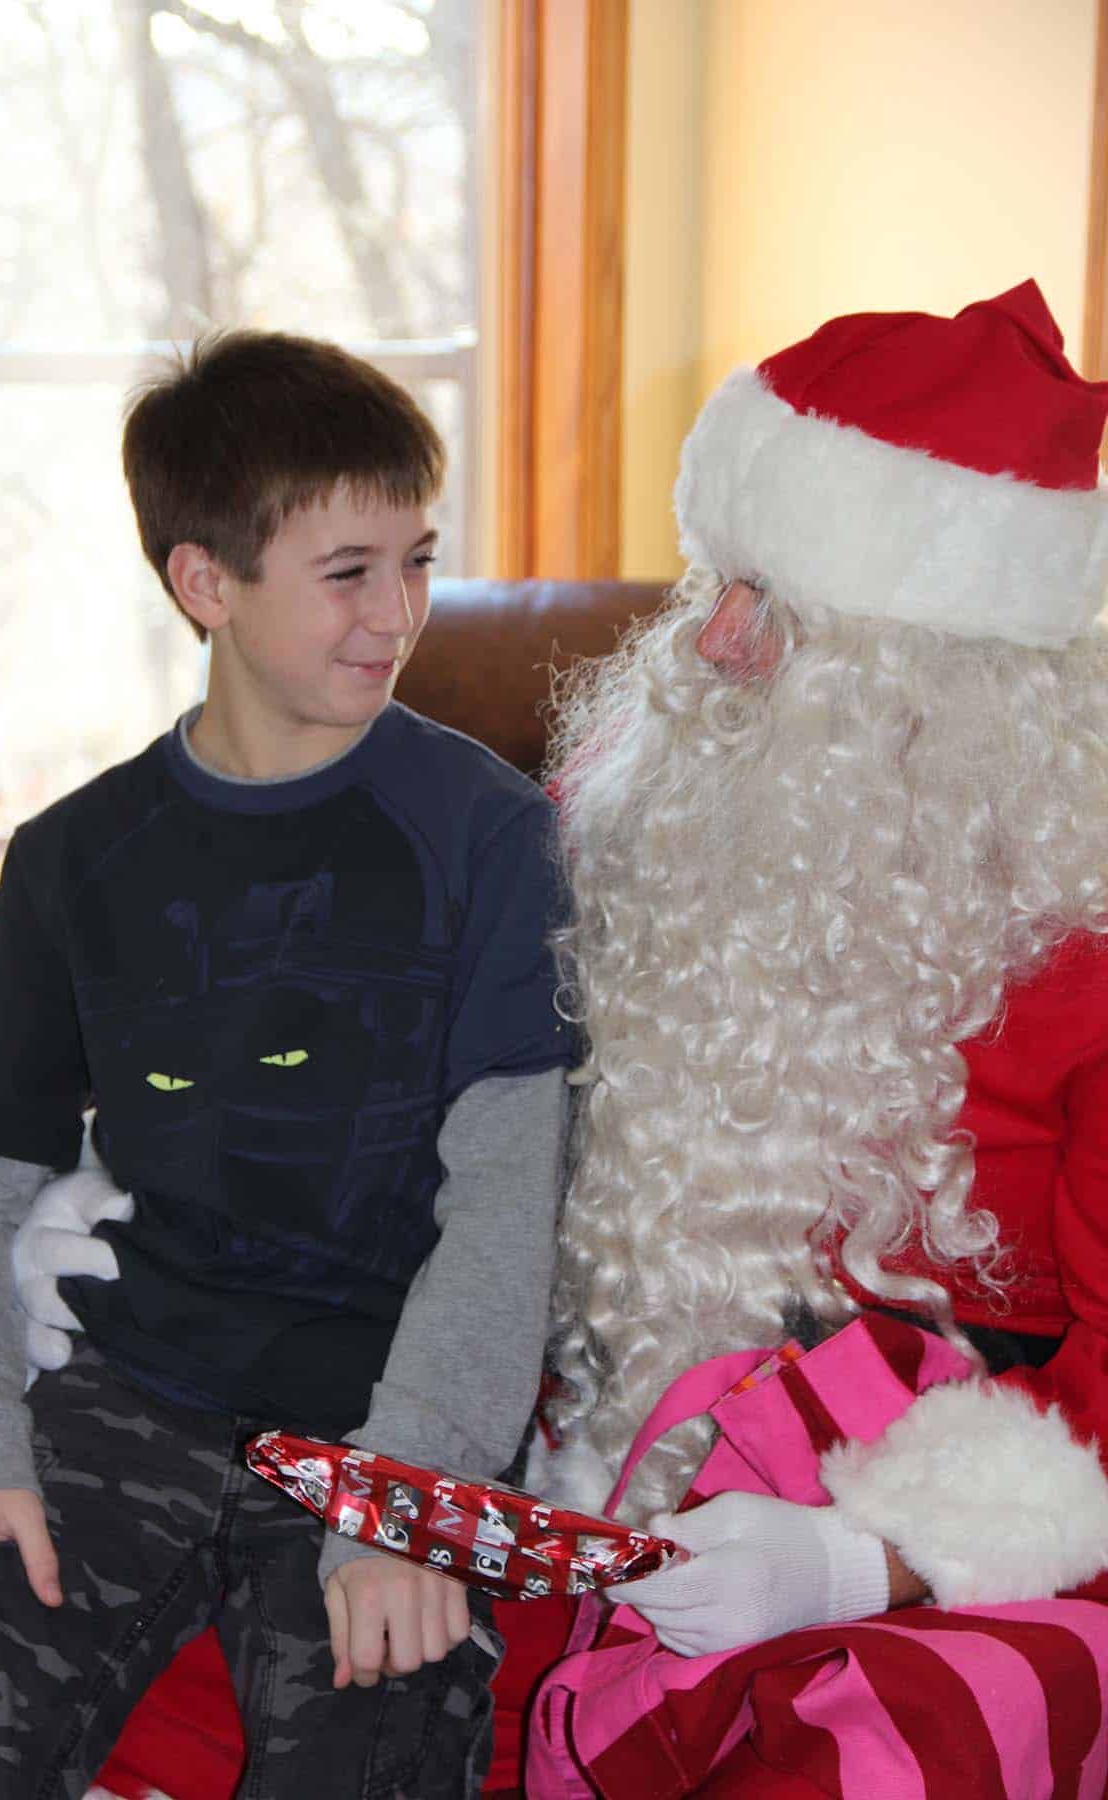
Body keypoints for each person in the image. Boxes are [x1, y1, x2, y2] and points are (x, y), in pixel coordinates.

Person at [0, 330, 574, 1798]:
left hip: (380, 1416)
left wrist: (407, 1497)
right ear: (205, 582)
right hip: (128, 1391)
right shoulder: (77, 857)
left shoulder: (490, 837)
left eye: (418, 559)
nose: (399, 612)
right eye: (350, 572)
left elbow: (508, 1204)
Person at [525, 282, 1108, 1796]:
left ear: (954, 683)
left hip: (992, 1542)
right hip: (614, 1474)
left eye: (771, 607)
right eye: (713, 579)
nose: (707, 647)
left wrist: (873, 1558)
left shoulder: (1090, 976)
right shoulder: (635, 818)